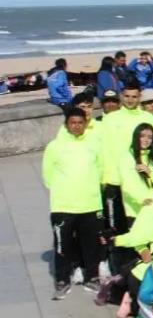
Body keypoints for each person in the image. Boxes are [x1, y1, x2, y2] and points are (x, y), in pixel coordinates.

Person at [42, 109, 104, 298]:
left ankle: (92, 277)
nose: (76, 126)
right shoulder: (55, 146)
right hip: (63, 205)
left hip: (90, 204)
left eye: (80, 122)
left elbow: (101, 169)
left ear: (85, 123)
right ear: (66, 124)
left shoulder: (94, 143)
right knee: (63, 245)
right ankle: (62, 279)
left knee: (91, 244)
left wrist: (91, 188)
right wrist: (64, 190)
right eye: (72, 122)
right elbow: (48, 175)